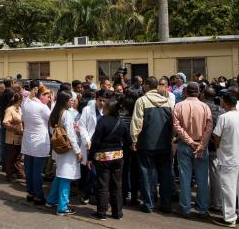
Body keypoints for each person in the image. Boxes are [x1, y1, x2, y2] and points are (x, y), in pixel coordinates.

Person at [131, 77, 175, 213]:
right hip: (165, 143)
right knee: (166, 174)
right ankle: (166, 204)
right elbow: (174, 123)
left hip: (146, 143)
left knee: (146, 174)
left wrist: (134, 140)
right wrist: (171, 138)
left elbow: (137, 123)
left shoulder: (141, 101)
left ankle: (148, 204)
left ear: (147, 86)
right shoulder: (168, 101)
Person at [172, 82, 213, 218]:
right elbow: (209, 127)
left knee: (185, 178)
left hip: (185, 145)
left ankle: (186, 208)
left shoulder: (179, 106)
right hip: (200, 145)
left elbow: (177, 127)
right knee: (202, 178)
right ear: (199, 92)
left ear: (185, 92)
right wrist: (202, 144)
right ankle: (202, 209)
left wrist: (189, 141)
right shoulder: (205, 106)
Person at [212, 91, 239, 227]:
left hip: (228, 158)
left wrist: (219, 148)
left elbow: (216, 136)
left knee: (228, 189)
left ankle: (229, 218)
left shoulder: (224, 117)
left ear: (225, 102)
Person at [89, 97, 131, 220]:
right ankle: (117, 212)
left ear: (108, 108)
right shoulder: (121, 122)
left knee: (103, 185)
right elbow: (128, 140)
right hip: (118, 156)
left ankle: (101, 212)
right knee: (117, 185)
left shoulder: (102, 121)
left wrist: (90, 157)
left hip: (103, 157)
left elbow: (95, 141)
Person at [45, 91, 82, 216]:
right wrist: (77, 151)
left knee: (59, 175)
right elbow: (71, 134)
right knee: (66, 177)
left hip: (58, 148)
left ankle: (51, 200)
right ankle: (62, 207)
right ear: (64, 101)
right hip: (68, 149)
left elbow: (52, 129)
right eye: (70, 100)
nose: (72, 102)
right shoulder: (66, 113)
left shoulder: (55, 112)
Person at [21, 85, 52, 205]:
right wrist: (53, 103)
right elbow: (53, 119)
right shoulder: (42, 107)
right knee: (37, 171)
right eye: (48, 97)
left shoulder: (26, 104)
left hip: (28, 141)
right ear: (42, 96)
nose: (49, 99)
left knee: (29, 169)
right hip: (39, 142)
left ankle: (30, 193)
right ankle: (38, 196)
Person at [202, 86, 225, 211]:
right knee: (216, 175)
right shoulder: (221, 110)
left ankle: (204, 203)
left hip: (202, 144)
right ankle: (217, 203)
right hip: (216, 146)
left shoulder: (200, 108)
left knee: (204, 176)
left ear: (203, 95)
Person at [3, 92, 24, 180]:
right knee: (11, 157)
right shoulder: (10, 110)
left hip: (20, 137)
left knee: (18, 156)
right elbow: (5, 122)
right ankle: (9, 174)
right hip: (11, 138)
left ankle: (18, 172)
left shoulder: (20, 109)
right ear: (19, 100)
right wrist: (14, 127)